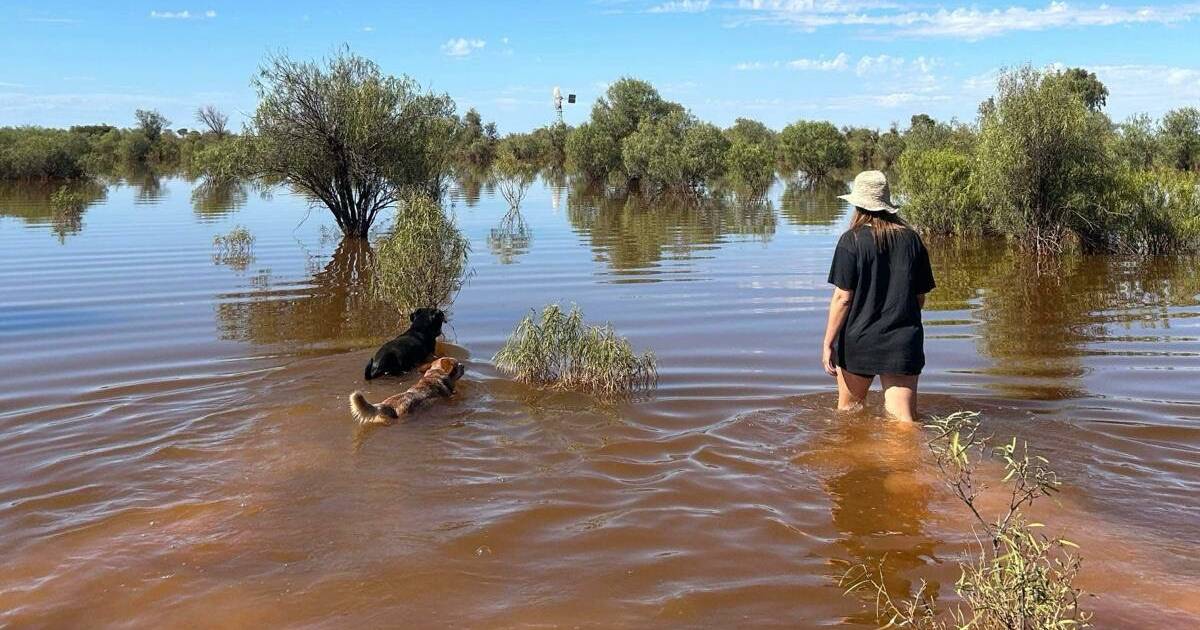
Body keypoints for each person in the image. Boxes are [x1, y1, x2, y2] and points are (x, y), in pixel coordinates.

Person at [822, 171, 935, 422]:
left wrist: (828, 343)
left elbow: (843, 298)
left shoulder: (850, 241)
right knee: (904, 423)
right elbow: (919, 298)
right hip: (902, 342)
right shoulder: (912, 240)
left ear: (857, 204)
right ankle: (908, 462)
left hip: (858, 341)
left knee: (849, 417)